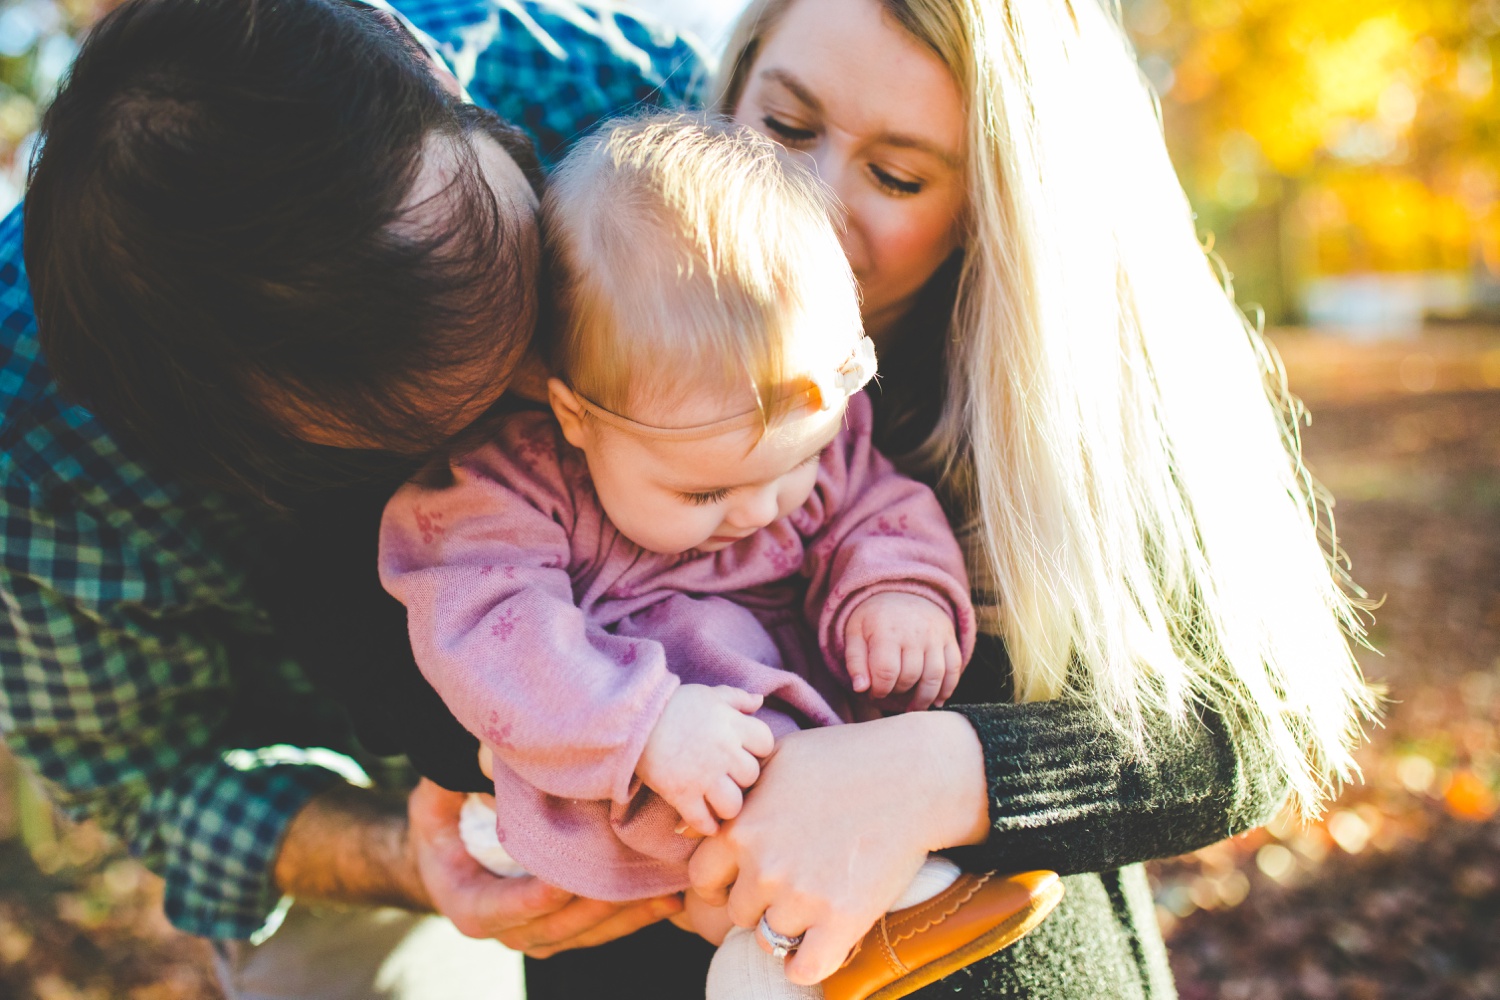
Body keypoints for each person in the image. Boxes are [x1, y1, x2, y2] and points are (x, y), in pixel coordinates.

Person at [0, 0, 720, 995]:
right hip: (350, 770)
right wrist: (407, 855)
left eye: (535, 310)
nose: (547, 408)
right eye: (467, 408)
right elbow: (146, 773)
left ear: (452, 90)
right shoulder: (38, 437)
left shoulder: (601, 88)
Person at [663, 0, 1380, 996]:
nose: (810, 201)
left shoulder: (1062, 396)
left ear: (996, 201)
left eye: (897, 175)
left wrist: (938, 775)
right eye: (785, 126)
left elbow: (1251, 718)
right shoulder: (595, 289)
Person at [380, 113, 1062, 1000]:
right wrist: (647, 722)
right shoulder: (515, 486)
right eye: (704, 494)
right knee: (706, 652)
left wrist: (896, 591)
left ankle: (826, 927)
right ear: (576, 416)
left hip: (809, 755)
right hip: (628, 754)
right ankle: (789, 953)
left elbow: (874, 506)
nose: (763, 508)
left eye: (796, 464)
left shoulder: (797, 432)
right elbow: (483, 623)